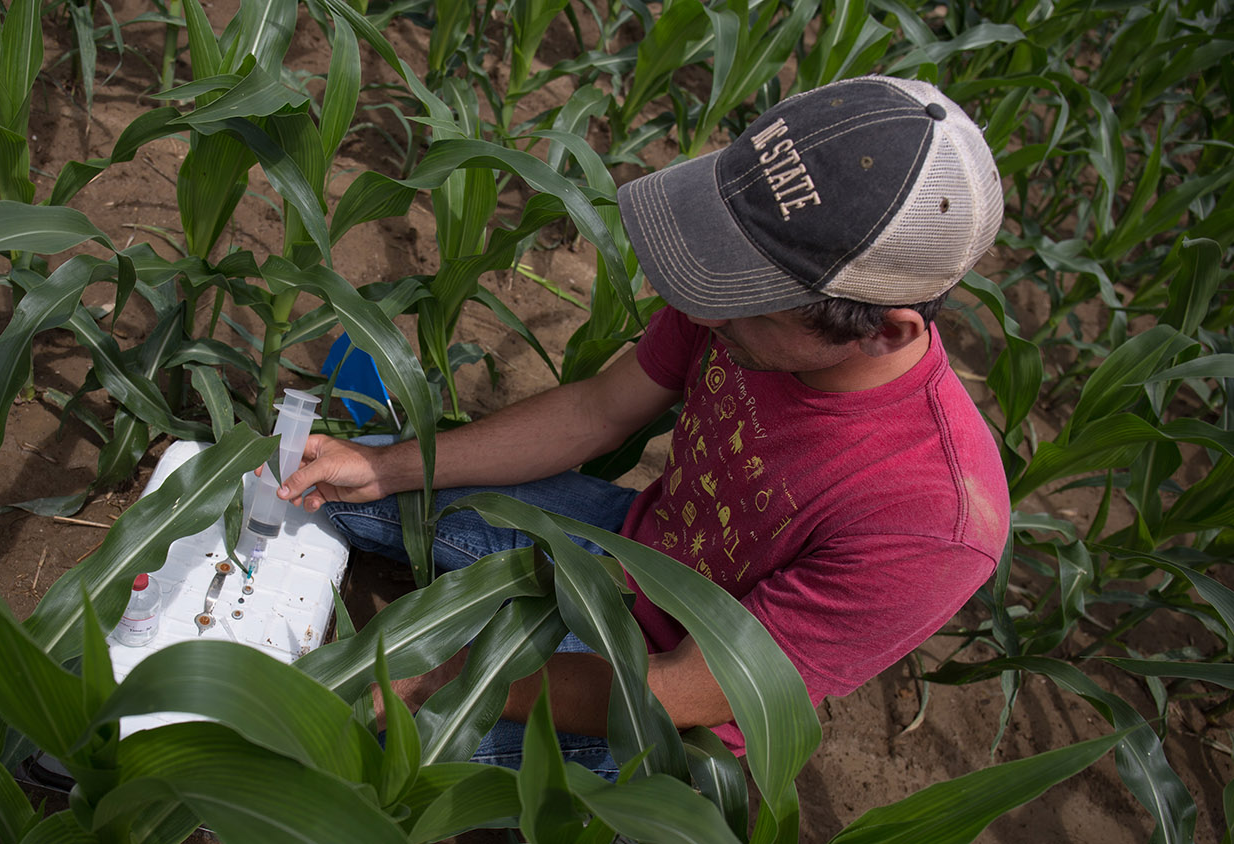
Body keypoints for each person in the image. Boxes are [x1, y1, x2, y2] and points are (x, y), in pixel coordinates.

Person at [276, 75, 1011, 778]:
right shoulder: (738, 305)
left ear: (884, 331)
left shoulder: (930, 518)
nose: (701, 311)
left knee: (323, 745)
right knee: (317, 485)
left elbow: (698, 689)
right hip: (629, 548)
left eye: (745, 299)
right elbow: (599, 411)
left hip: (656, 702)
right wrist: (389, 467)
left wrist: (461, 675)